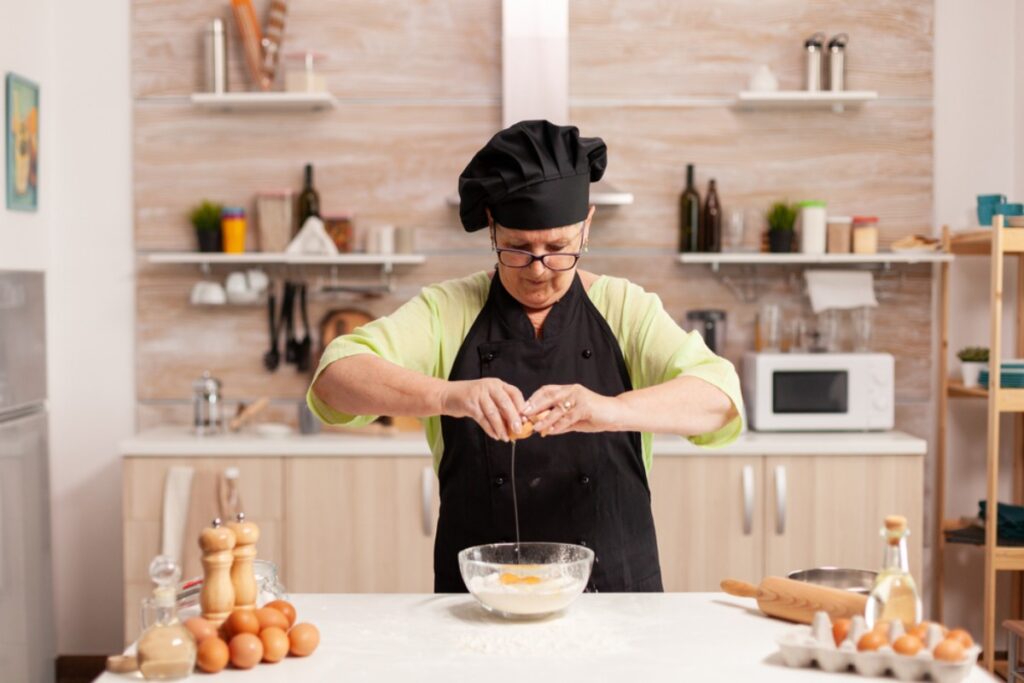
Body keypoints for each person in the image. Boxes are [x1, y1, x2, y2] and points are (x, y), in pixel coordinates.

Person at [308, 120, 743, 592]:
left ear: (586, 227)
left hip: (617, 596)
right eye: (517, 249)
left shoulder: (625, 308)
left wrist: (611, 409)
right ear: (492, 227)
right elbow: (335, 377)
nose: (539, 270)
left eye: (558, 249)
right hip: (477, 601)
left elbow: (719, 397)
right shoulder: (448, 309)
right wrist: (449, 396)